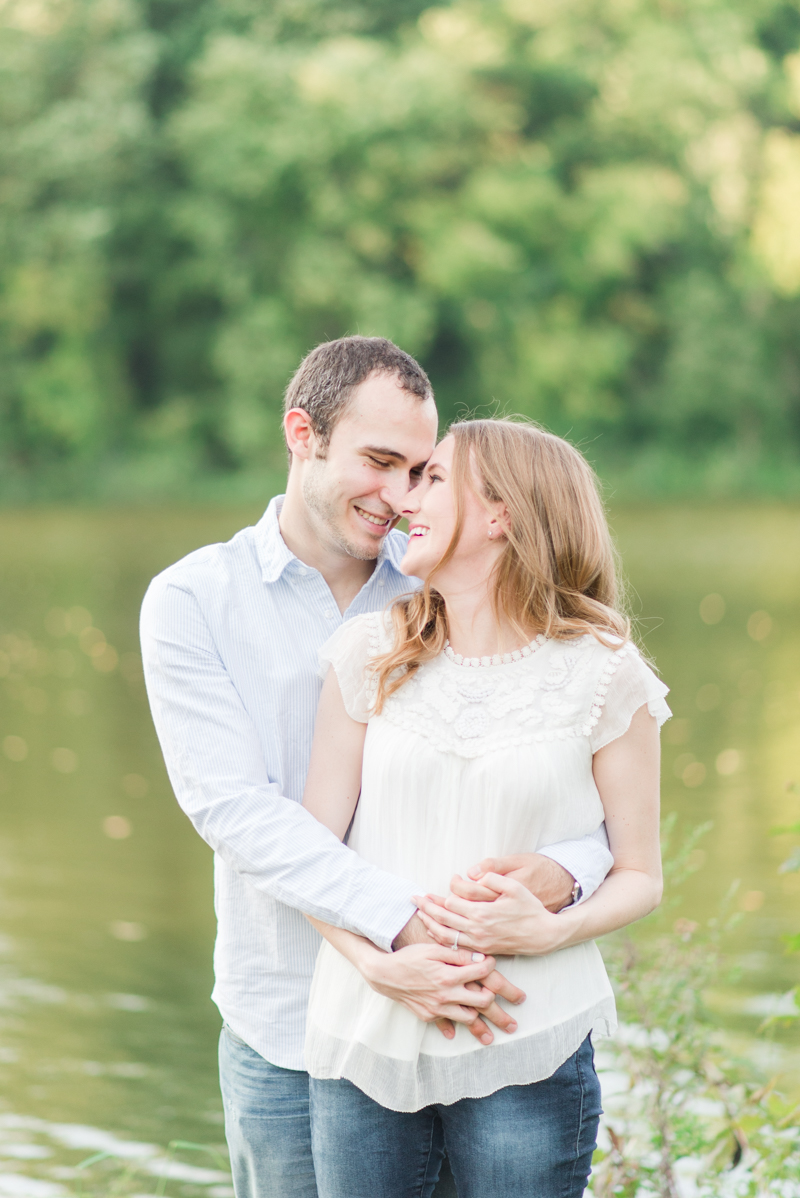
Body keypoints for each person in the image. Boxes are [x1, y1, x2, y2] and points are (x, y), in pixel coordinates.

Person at [140, 338, 614, 1198]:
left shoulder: (445, 578)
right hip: (286, 1018)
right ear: (302, 434)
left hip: (472, 1010)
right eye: (379, 462)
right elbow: (235, 810)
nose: (399, 497)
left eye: (419, 471)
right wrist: (393, 939)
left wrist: (563, 873)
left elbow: (575, 761)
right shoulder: (193, 601)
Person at [301, 419, 669, 1198]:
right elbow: (310, 857)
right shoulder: (368, 652)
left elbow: (640, 873)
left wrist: (554, 926)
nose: (405, 499)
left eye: (432, 478)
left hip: (524, 1043)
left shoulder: (604, 672)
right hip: (365, 1033)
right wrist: (382, 966)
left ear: (500, 514)